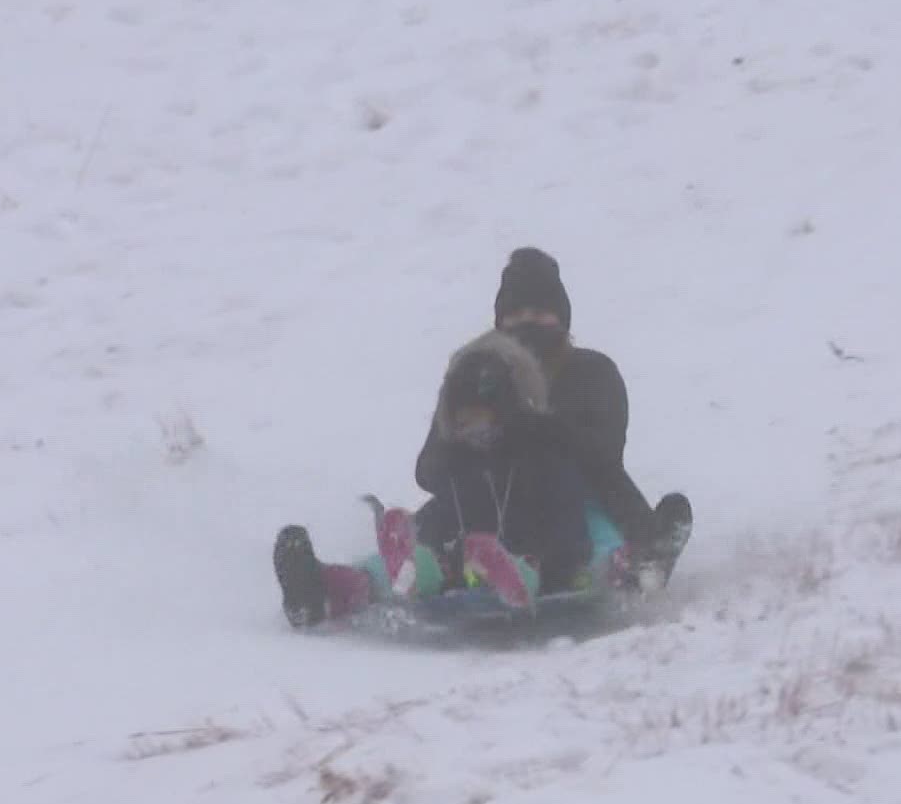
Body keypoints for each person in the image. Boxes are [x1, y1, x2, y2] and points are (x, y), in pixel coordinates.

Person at [273, 328, 608, 630]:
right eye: (463, 426)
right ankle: (332, 589)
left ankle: (502, 575)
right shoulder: (463, 469)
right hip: (467, 566)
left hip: (540, 566)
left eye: (482, 423)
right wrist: (424, 543)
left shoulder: (544, 458)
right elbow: (444, 514)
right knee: (421, 556)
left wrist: (561, 565)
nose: (474, 435)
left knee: (524, 565)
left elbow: (570, 525)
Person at [414, 246, 691, 586]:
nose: (528, 321)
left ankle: (621, 566)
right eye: (516, 313)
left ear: (561, 317)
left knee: (589, 519)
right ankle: (369, 578)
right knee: (438, 521)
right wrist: (467, 442)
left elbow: (605, 457)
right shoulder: (477, 376)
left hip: (577, 502)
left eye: (540, 311)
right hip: (486, 504)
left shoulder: (592, 372)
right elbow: (429, 470)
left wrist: (541, 429)